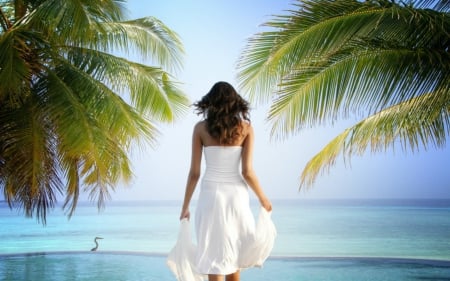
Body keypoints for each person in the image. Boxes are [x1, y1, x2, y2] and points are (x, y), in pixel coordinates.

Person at [177, 81, 275, 281]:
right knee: (234, 254)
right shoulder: (245, 129)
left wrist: (185, 206)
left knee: (215, 257)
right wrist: (263, 198)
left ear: (210, 103)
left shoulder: (200, 129)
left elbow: (194, 173)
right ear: (235, 102)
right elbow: (247, 172)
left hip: (210, 196)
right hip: (236, 197)